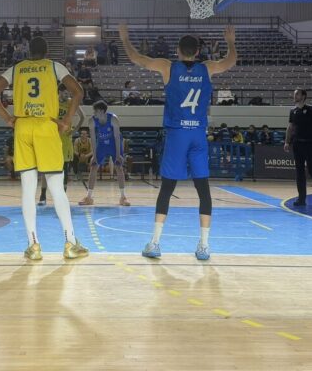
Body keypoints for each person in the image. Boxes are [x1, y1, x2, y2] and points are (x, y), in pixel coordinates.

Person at [119, 22, 237, 261]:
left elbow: (137, 58)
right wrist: (231, 42)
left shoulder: (168, 67)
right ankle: (204, 246)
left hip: (177, 134)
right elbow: (230, 61)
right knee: (203, 189)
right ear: (197, 51)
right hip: (198, 135)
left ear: (177, 50)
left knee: (167, 188)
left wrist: (124, 39)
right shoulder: (207, 68)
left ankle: (155, 243)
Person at [0, 36, 88, 261]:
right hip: (46, 126)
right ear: (47, 50)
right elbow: (78, 91)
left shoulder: (17, 68)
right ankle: (70, 243)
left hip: (22, 127)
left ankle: (33, 246)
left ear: (28, 51)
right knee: (56, 187)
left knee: (28, 190)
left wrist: (6, 117)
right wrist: (68, 119)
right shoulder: (54, 67)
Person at [38, 84, 85, 205]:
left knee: (64, 169)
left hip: (65, 139)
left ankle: (61, 197)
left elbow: (82, 117)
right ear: (59, 92)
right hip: (51, 138)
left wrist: (74, 131)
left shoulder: (71, 102)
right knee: (45, 168)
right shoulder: (52, 102)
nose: (67, 95)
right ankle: (43, 196)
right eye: (65, 93)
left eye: (68, 93)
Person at [78, 101, 129, 206]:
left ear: (101, 111)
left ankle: (123, 197)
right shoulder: (92, 120)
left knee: (119, 167)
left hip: (114, 144)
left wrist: (119, 154)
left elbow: (116, 137)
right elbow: (92, 138)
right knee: (93, 166)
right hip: (101, 144)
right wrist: (94, 155)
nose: (94, 113)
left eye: (95, 111)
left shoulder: (114, 119)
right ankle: (88, 197)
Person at [284, 88, 312, 207]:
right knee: (299, 172)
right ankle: (301, 199)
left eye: (297, 94)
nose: (294, 96)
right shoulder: (292, 111)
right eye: (294, 94)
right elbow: (290, 127)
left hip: (310, 144)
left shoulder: (311, 109)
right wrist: (287, 142)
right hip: (297, 145)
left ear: (303, 96)